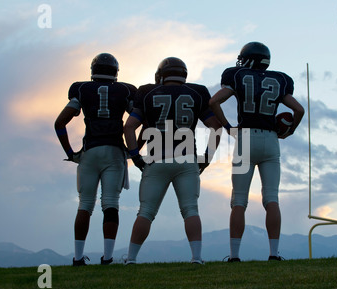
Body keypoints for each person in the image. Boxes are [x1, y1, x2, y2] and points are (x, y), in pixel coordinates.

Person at [209, 42, 305, 261]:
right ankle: (273, 253)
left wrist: (227, 126)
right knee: (271, 198)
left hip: (245, 138)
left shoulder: (237, 75)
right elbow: (298, 109)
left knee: (239, 200)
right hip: (271, 140)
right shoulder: (281, 80)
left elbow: (214, 101)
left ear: (248, 59)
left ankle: (234, 256)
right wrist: (289, 131)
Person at [124, 57, 221, 264]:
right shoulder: (197, 93)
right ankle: (196, 257)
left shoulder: (148, 92)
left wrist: (134, 156)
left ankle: (131, 258)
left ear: (161, 75)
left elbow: (129, 126)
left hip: (157, 158)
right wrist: (207, 157)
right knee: (190, 209)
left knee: (146, 211)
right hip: (186, 158)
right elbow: (216, 127)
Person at [54, 53, 137, 266]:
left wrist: (71, 153)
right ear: (115, 71)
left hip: (90, 151)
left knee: (85, 204)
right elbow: (139, 120)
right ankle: (108, 257)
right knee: (111, 204)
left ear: (93, 70)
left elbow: (60, 123)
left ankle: (78, 257)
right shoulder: (125, 90)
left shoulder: (81, 89)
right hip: (113, 151)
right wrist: (133, 150)